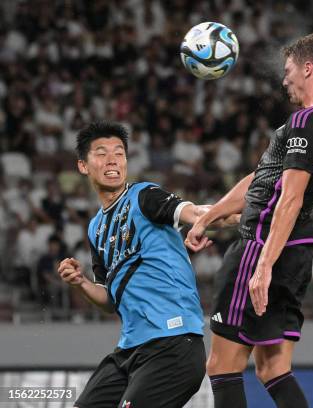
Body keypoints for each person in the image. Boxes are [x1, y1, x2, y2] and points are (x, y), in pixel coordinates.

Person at [185, 33, 313, 408]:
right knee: (272, 370)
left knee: (222, 366)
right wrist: (209, 215)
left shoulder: (306, 123)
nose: (284, 79)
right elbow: (264, 180)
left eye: (289, 70)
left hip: (262, 247)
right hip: (298, 248)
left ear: (309, 68)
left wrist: (263, 265)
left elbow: (289, 199)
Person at [57, 121, 237, 408]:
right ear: (83, 166)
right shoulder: (95, 228)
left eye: (119, 152)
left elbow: (195, 212)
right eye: (101, 153)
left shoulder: (143, 196)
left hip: (173, 345)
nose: (112, 159)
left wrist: (240, 216)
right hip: (128, 351)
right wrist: (80, 283)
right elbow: (108, 300)